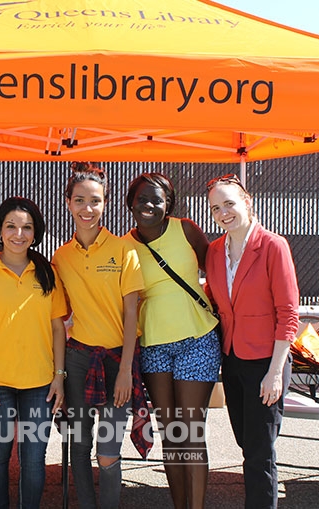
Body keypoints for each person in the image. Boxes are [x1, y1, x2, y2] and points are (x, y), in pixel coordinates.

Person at [0, 197, 67, 509]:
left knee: (33, 460)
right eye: (11, 226)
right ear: (0, 230)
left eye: (26, 228)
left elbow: (58, 328)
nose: (18, 234)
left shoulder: (47, 273)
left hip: (39, 383)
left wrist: (58, 378)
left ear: (35, 234)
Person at [124, 173, 220, 509]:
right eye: (142, 199)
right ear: (130, 203)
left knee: (191, 434)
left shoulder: (187, 230)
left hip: (198, 339)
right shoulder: (125, 247)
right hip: (153, 346)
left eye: (157, 199)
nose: (149, 205)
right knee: (172, 435)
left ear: (169, 205)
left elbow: (218, 273)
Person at [51, 163, 145, 509]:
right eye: (79, 200)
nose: (87, 209)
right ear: (68, 203)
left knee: (108, 450)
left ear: (105, 204)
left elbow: (132, 313)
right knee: (78, 443)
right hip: (78, 360)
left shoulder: (124, 251)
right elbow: (59, 317)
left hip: (117, 360)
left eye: (95, 201)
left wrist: (125, 372)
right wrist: (58, 374)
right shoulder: (60, 257)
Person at [204, 173, 299, 509]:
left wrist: (275, 372)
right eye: (216, 208)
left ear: (247, 202)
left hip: (265, 362)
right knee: (246, 443)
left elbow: (288, 313)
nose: (223, 212)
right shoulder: (215, 250)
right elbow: (212, 300)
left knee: (260, 453)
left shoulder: (273, 246)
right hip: (231, 358)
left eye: (229, 203)